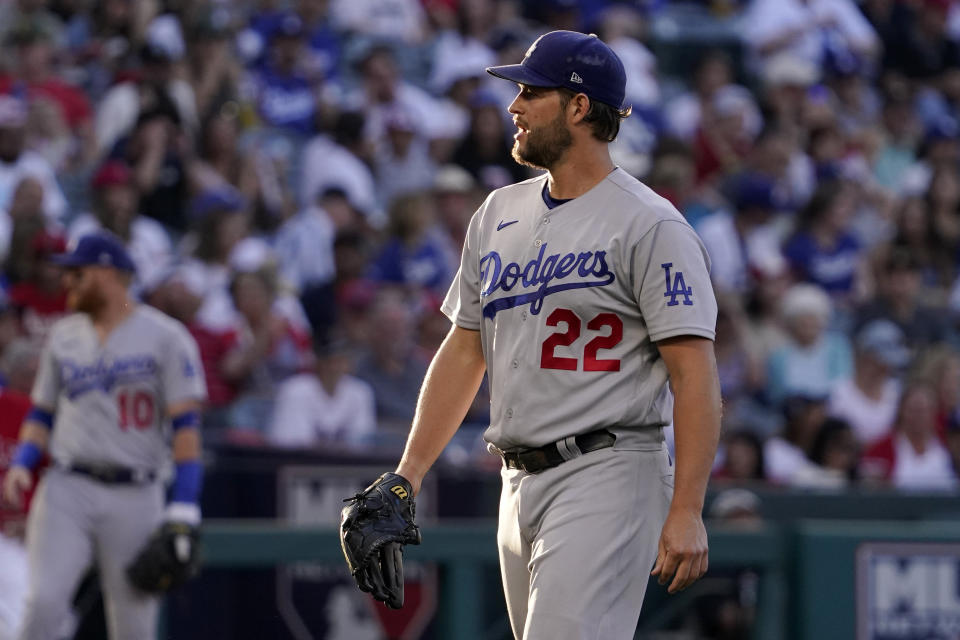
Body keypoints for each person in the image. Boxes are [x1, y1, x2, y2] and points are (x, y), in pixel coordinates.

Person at [345, 31, 721, 639]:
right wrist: (407, 475)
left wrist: (688, 509)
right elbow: (464, 351)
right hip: (516, 479)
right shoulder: (498, 212)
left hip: (608, 467)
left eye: (530, 91)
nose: (513, 107)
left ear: (579, 108)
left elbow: (694, 374)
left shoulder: (651, 224)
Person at [0, 231, 207, 639]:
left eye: (77, 273)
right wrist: (23, 462)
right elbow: (41, 412)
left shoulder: (166, 338)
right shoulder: (64, 335)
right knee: (41, 605)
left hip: (135, 490)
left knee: (133, 624)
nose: (67, 283)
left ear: (109, 274)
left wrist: (184, 503)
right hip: (66, 486)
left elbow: (186, 427)